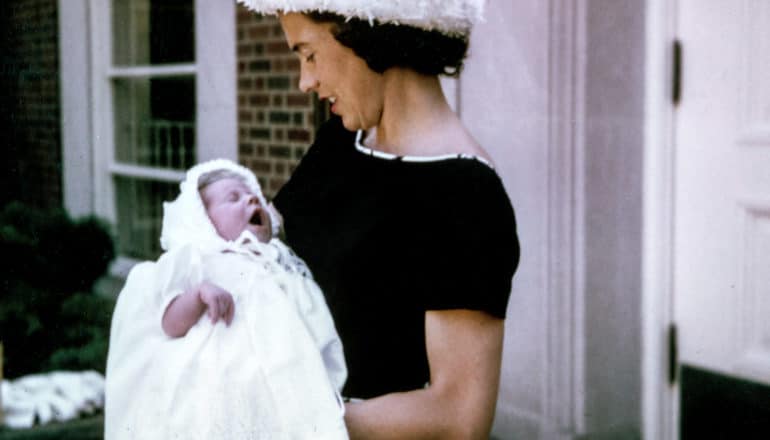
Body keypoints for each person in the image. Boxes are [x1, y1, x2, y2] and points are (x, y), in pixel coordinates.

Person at [238, 0, 521, 438]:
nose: (305, 81)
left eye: (309, 54)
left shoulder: (464, 193)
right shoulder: (344, 138)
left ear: (365, 31)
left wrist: (290, 421)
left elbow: (459, 415)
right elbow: (271, 243)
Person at [104, 159, 348, 440]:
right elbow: (170, 324)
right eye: (233, 198)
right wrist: (198, 295)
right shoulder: (197, 259)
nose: (250, 199)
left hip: (274, 373)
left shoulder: (277, 264)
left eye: (253, 195)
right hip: (213, 382)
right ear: (202, 219)